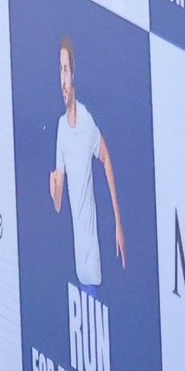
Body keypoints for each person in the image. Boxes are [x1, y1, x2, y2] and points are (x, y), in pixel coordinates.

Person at [49, 37, 124, 290]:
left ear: (74, 75)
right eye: (59, 70)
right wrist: (53, 188)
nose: (62, 80)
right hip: (77, 265)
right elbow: (58, 204)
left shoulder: (86, 122)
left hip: (94, 264)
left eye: (65, 70)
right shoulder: (61, 127)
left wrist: (118, 224)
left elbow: (106, 158)